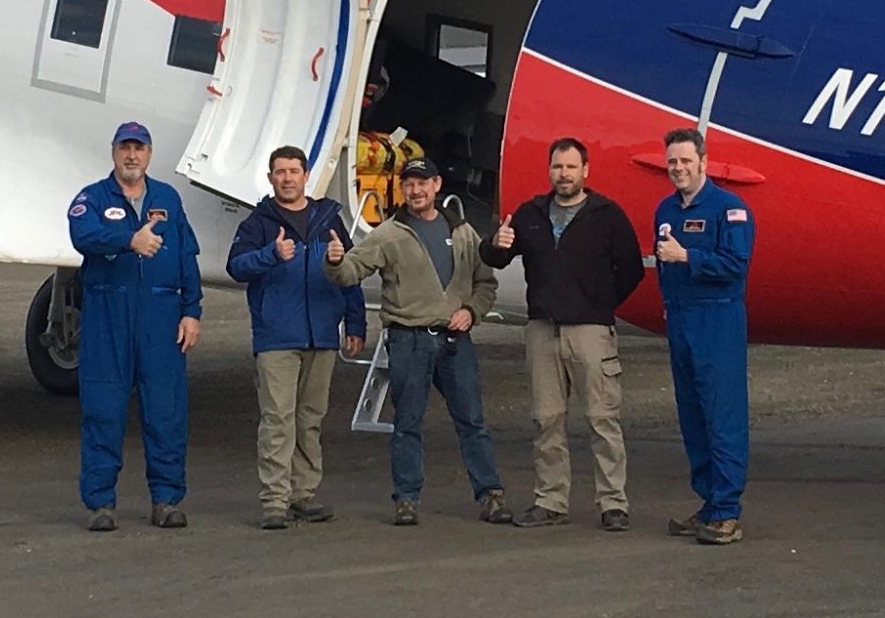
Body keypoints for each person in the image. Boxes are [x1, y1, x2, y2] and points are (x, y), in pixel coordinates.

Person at [323, 157, 513, 526]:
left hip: (455, 340)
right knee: (407, 423)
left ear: (437, 184)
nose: (416, 190)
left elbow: (486, 283)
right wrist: (334, 261)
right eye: (409, 184)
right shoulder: (389, 234)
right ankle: (406, 499)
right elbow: (349, 272)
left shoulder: (462, 231)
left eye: (423, 182)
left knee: (472, 421)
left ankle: (491, 494)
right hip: (409, 340)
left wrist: (472, 312)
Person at [479, 138, 644, 531]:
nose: (564, 174)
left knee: (603, 420)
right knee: (546, 419)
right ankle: (550, 500)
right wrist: (495, 244)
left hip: (590, 331)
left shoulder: (606, 215)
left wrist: (599, 306)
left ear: (586, 171)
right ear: (549, 170)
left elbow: (632, 269)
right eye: (557, 167)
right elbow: (496, 256)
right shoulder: (531, 213)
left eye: (571, 167)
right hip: (542, 331)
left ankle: (613, 503)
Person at [67, 122, 202, 532]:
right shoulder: (91, 198)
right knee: (103, 410)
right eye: (125, 148)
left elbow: (187, 258)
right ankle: (101, 504)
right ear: (113, 153)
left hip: (161, 318)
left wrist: (192, 311)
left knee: (166, 412)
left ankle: (166, 500)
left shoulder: (168, 199)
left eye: (139, 149)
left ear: (149, 154)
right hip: (108, 315)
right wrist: (129, 241)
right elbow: (82, 236)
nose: (131, 156)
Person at [227, 146, 367, 531]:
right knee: (277, 419)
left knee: (310, 419)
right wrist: (271, 255)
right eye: (280, 172)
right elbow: (236, 266)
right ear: (270, 178)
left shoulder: (329, 219)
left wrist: (354, 324)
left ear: (307, 175)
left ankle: (303, 494)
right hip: (277, 337)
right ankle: (274, 499)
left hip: (321, 335)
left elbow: (351, 275)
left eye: (294, 171)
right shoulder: (258, 223)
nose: (287, 178)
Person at [654, 127, 755, 545]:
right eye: (672, 162)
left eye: (685, 162)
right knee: (692, 416)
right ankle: (709, 502)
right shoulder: (665, 209)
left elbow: (736, 264)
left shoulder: (730, 209)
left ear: (703, 162)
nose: (678, 169)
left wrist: (687, 256)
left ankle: (727, 510)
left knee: (722, 416)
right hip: (680, 320)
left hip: (717, 321)